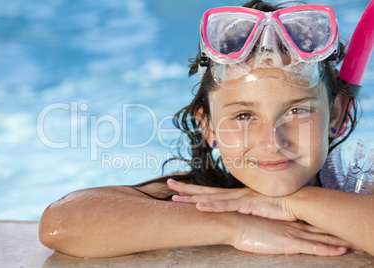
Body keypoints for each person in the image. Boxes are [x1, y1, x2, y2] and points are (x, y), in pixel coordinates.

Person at [39, 0, 374, 258]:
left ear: (335, 114)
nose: (273, 142)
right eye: (243, 116)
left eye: (297, 110)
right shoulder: (206, 198)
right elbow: (63, 223)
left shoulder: (357, 184)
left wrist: (293, 204)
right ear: (209, 127)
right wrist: (233, 226)